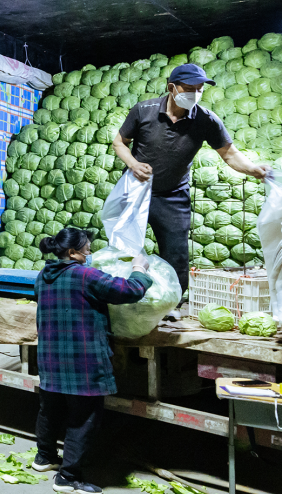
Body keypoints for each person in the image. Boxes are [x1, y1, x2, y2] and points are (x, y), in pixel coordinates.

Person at [112, 63, 271, 315]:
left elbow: (229, 153)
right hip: (135, 190)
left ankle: (172, 304)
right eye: (189, 88)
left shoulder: (206, 119)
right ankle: (120, 302)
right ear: (171, 88)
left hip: (173, 195)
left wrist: (253, 169)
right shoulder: (144, 110)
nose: (195, 94)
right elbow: (120, 142)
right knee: (124, 248)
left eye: (199, 89)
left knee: (176, 253)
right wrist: (132, 163)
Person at [34, 227, 153, 494]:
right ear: (73, 252)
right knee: (84, 417)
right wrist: (139, 268)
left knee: (50, 409)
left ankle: (44, 458)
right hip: (82, 360)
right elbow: (129, 291)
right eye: (87, 248)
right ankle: (68, 477)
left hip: (51, 357)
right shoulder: (87, 275)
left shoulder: (43, 276)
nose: (90, 252)